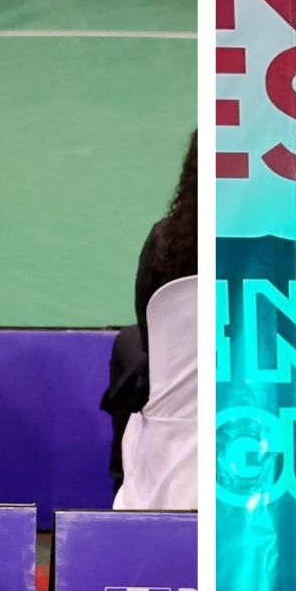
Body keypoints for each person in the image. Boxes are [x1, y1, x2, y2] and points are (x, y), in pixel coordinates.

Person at [102, 130, 196, 489]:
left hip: (174, 387)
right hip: (256, 376)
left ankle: (125, 479)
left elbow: (150, 327)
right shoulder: (274, 246)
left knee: (128, 344)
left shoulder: (166, 241)